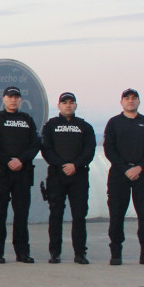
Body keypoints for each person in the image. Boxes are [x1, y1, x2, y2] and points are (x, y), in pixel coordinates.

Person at [103, 88, 144, 266]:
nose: (131, 101)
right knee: (116, 214)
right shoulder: (114, 123)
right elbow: (109, 149)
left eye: (134, 98)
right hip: (119, 174)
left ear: (138, 102)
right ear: (121, 102)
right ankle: (116, 253)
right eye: (127, 98)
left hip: (142, 174)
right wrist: (124, 168)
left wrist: (140, 167)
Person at [0, 86, 40, 263]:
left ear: (20, 100)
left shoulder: (27, 120)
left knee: (22, 214)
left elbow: (35, 144)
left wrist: (21, 160)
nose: (13, 100)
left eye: (16, 97)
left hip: (23, 173)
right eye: (10, 97)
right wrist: (8, 160)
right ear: (3, 99)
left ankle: (22, 252)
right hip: (2, 173)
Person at [39, 92, 95, 264]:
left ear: (76, 105)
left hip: (79, 176)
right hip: (57, 175)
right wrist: (62, 165)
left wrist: (75, 165)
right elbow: (46, 149)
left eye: (71, 102)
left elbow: (89, 150)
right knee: (56, 214)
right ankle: (55, 253)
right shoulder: (51, 126)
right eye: (65, 102)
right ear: (59, 106)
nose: (68, 105)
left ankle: (80, 253)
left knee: (79, 216)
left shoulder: (84, 126)